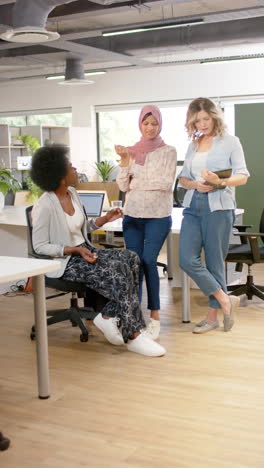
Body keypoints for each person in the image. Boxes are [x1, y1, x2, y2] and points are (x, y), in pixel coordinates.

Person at [30, 144, 166, 357]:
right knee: (118, 272)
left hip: (84, 250)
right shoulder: (44, 206)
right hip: (64, 261)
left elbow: (82, 229)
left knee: (130, 257)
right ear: (59, 175)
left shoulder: (73, 193)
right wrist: (73, 250)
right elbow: (39, 246)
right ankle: (134, 336)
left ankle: (106, 316)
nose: (75, 169)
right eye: (70, 166)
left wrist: (105, 219)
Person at [178, 97, 249, 334]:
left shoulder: (230, 141)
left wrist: (221, 181)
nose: (202, 124)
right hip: (193, 205)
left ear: (214, 116)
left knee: (215, 262)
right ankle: (225, 299)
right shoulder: (193, 144)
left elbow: (243, 176)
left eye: (206, 119)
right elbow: (184, 178)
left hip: (219, 206)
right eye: (197, 121)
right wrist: (194, 185)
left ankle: (212, 317)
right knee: (187, 259)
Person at [115, 105, 177, 340]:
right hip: (132, 216)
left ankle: (155, 316)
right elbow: (122, 186)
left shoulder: (168, 151)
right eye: (146, 123)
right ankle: (132, 317)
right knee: (134, 264)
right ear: (140, 124)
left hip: (158, 215)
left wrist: (136, 182)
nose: (150, 128)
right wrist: (123, 163)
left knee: (149, 260)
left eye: (154, 124)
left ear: (160, 125)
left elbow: (165, 183)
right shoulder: (130, 152)